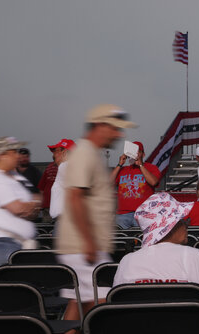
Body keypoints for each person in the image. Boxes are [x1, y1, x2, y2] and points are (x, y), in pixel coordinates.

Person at [56, 104, 137, 324]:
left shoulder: (89, 154)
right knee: (102, 313)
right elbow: (75, 198)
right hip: (85, 248)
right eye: (115, 128)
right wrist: (89, 242)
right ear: (101, 125)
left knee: (77, 311)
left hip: (84, 247)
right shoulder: (85, 154)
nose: (119, 134)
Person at [115, 192, 199, 315]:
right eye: (182, 220)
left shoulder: (126, 262)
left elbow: (118, 312)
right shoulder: (196, 257)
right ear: (171, 226)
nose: (187, 225)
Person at [0, 136, 41, 268]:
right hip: (1, 244)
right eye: (14, 152)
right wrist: (30, 206)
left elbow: (36, 205)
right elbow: (18, 208)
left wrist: (30, 206)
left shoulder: (16, 177)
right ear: (2, 155)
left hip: (18, 245)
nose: (18, 155)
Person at [112, 141, 160, 229]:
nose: (135, 154)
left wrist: (141, 165)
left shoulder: (151, 168)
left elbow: (153, 182)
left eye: (138, 152)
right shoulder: (123, 170)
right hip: (122, 214)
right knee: (120, 240)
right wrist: (119, 164)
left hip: (143, 213)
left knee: (141, 239)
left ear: (143, 154)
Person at [38, 139, 74, 220]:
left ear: (64, 152)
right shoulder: (67, 167)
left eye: (56, 151)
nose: (53, 155)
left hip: (65, 219)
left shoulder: (65, 167)